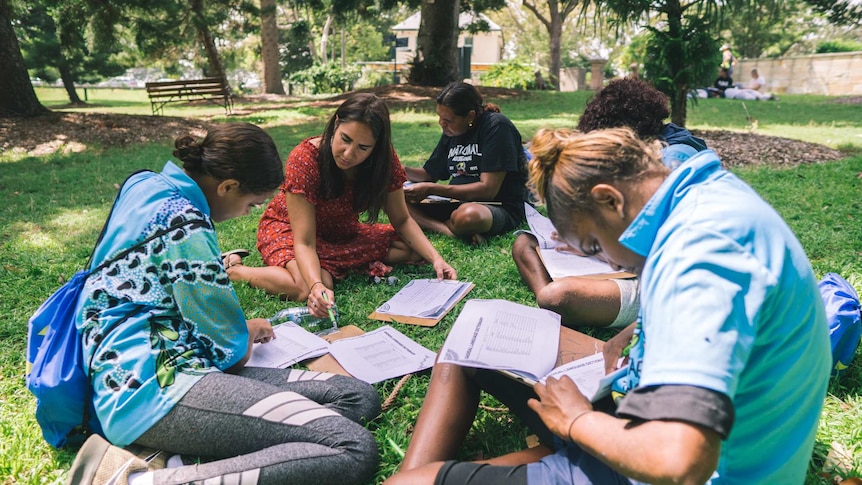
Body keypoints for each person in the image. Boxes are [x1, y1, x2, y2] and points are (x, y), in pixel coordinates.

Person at [386, 127, 831, 485]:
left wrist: (578, 421)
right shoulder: (700, 193)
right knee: (467, 345)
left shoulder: (698, 258)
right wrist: (644, 328)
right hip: (654, 418)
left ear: (610, 199)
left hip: (673, 465)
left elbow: (679, 461)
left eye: (596, 244)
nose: (610, 262)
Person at [66, 123, 382, 485]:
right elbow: (229, 353)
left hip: (164, 366)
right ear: (228, 186)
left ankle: (180, 451)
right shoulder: (187, 226)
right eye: (251, 203)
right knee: (352, 446)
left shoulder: (146, 184)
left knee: (356, 396)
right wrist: (247, 330)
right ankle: (131, 479)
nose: (249, 212)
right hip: (153, 388)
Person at [225, 93, 457, 318]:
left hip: (341, 233)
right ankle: (234, 270)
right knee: (305, 288)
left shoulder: (383, 162)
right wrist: (316, 284)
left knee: (413, 250)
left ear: (376, 147)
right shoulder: (305, 158)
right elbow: (304, 241)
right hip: (289, 229)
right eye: (345, 139)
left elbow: (403, 220)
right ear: (336, 124)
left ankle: (326, 265)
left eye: (363, 147)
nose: (348, 154)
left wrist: (436, 259)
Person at [512, 77, 707, 328]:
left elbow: (657, 257)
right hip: (627, 259)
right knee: (524, 243)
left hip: (661, 279)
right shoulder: (642, 160)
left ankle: (566, 298)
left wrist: (593, 250)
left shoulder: (669, 165)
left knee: (557, 295)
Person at [403, 81, 529, 245]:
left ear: (470, 116)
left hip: (497, 206)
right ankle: (448, 231)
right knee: (393, 198)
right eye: (439, 117)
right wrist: (399, 169)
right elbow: (429, 174)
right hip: (454, 203)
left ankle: (455, 226)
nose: (442, 123)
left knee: (467, 216)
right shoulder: (452, 131)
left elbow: (488, 190)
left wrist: (433, 189)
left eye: (448, 119)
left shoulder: (497, 127)